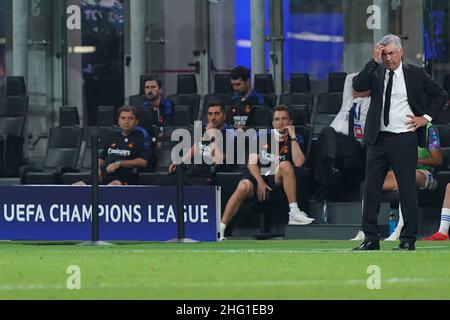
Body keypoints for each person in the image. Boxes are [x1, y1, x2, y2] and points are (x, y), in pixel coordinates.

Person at [352, 34, 448, 251]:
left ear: (401, 52)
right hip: (378, 138)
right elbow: (358, 86)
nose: (388, 58)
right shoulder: (375, 71)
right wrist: (373, 61)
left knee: (407, 189)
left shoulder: (415, 73)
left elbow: (441, 95)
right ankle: (370, 238)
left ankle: (407, 239)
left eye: (391, 53)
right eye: (384, 54)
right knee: (371, 189)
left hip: (404, 138)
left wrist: (426, 118)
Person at [219, 105, 314, 241]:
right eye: (277, 119)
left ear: (290, 122)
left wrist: (292, 137)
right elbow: (251, 163)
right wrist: (260, 182)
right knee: (243, 186)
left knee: (286, 165)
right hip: (258, 174)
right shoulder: (262, 136)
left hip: (276, 176)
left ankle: (294, 212)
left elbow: (299, 163)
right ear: (273, 122)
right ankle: (220, 229)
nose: (280, 122)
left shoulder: (296, 138)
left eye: (284, 119)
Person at [351, 122, 443, 241]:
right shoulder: (394, 126)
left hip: (423, 174)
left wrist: (414, 161)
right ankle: (367, 230)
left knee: (407, 177)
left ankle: (401, 229)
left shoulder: (429, 128)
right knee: (371, 183)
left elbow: (437, 159)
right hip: (398, 171)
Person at [314, 73, 371, 201]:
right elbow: (350, 78)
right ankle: (331, 168)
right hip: (334, 140)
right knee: (326, 135)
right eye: (355, 87)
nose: (355, 89)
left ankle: (322, 186)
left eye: (360, 87)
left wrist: (374, 72)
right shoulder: (348, 100)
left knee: (324, 139)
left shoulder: (372, 102)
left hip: (353, 142)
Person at [159, 101, 233, 186]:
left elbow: (218, 159)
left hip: (209, 176)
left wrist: (211, 135)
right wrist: (180, 162)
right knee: (158, 187)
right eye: (210, 114)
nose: (213, 117)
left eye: (217, 114)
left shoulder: (230, 134)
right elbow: (197, 147)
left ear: (224, 116)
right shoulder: (204, 130)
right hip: (191, 174)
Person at [74, 106, 151, 186]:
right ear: (118, 120)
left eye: (130, 118)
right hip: (102, 176)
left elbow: (143, 162)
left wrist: (119, 163)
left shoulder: (142, 137)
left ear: (136, 121)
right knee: (76, 187)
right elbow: (102, 158)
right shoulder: (113, 136)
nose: (126, 121)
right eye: (123, 118)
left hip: (123, 177)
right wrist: (97, 168)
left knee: (112, 186)